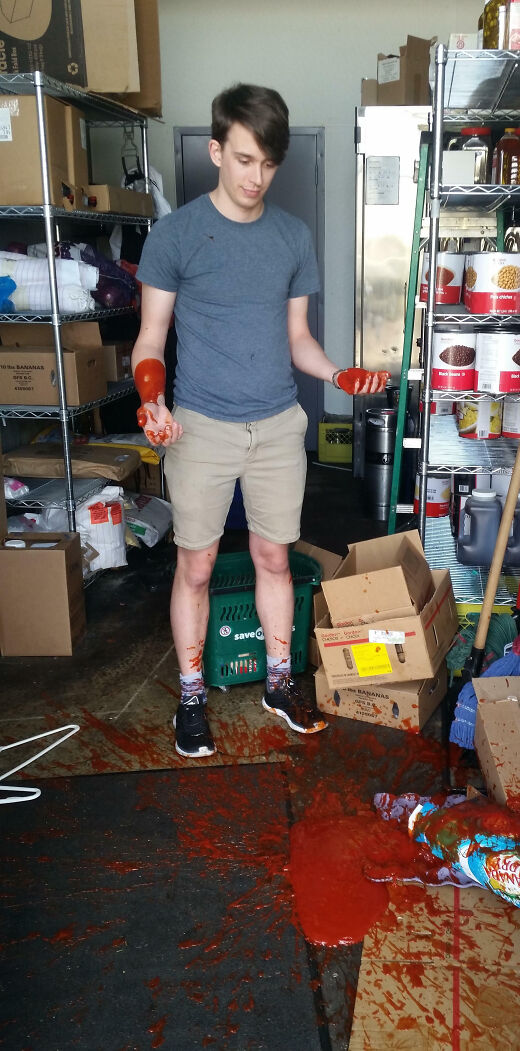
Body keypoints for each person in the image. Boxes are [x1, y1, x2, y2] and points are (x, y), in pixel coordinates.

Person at [131, 83, 389, 759]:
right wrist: (152, 398)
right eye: (244, 159)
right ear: (216, 149)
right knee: (197, 564)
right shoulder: (175, 234)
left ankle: (279, 682)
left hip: (278, 424)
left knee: (276, 556)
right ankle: (191, 696)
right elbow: (151, 337)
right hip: (200, 426)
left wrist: (336, 374)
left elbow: (297, 338)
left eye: (268, 163)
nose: (256, 177)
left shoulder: (291, 236)